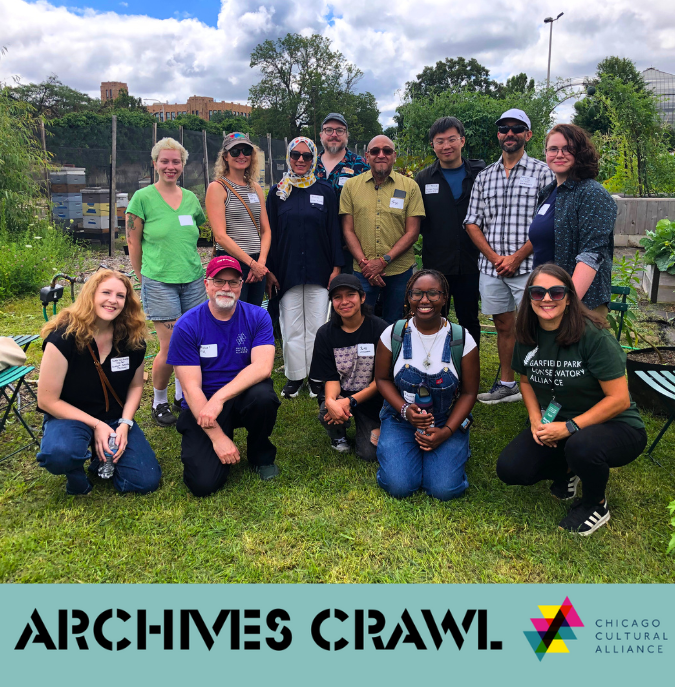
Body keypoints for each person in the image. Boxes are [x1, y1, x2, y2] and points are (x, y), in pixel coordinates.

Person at [496, 264, 647, 535]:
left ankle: (595, 504)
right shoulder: (527, 333)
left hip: (616, 424)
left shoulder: (594, 336)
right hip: (558, 420)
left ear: (568, 298)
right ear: (529, 298)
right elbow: (525, 381)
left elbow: (619, 399)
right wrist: (536, 420)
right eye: (538, 292)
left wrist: (569, 427)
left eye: (556, 292)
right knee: (511, 468)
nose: (546, 299)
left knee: (581, 446)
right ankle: (568, 470)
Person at [36, 270, 161, 496]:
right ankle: (76, 475)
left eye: (120, 296)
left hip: (115, 417)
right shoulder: (63, 338)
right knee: (60, 454)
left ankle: (99, 455)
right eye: (106, 292)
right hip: (70, 416)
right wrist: (97, 425)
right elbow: (46, 400)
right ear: (91, 295)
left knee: (145, 481)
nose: (113, 300)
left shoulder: (132, 338)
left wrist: (125, 424)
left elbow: (136, 385)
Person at [167, 256, 280, 497]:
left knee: (263, 396)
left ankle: (260, 454)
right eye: (219, 281)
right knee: (203, 484)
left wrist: (220, 398)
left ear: (241, 285)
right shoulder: (187, 325)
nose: (226, 288)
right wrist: (218, 438)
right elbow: (190, 389)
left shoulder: (258, 316)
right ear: (206, 284)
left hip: (241, 397)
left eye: (233, 282)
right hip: (203, 405)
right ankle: (219, 438)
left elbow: (263, 367)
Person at [464, 109, 555, 404]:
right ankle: (507, 383)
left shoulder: (543, 173)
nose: (510, 133)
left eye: (517, 128)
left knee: (538, 326)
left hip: (529, 266)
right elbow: (472, 222)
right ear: (498, 135)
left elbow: (548, 222)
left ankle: (542, 386)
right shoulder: (485, 176)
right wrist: (495, 258)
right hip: (492, 269)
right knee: (504, 325)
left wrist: (516, 257)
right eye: (504, 129)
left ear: (528, 134)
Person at [374, 269, 479, 500]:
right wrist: (405, 410)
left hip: (445, 419)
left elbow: (470, 393)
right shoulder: (394, 334)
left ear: (444, 297)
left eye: (433, 293)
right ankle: (403, 450)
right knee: (399, 486)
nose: (424, 300)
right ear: (408, 297)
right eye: (417, 293)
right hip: (401, 419)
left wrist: (446, 432)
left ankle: (453, 448)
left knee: (444, 489)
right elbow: (381, 379)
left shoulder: (461, 339)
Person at [126, 137, 207, 427]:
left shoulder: (191, 199)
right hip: (160, 281)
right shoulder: (142, 198)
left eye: (176, 161)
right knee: (171, 346)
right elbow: (133, 242)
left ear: (182, 165)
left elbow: (195, 232)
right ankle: (158, 400)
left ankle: (182, 395)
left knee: (193, 341)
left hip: (193, 280)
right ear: (155, 163)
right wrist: (143, 276)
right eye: (165, 161)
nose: (170, 166)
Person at [266, 136, 344, 400]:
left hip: (320, 270)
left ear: (313, 159)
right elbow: (270, 233)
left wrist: (336, 267)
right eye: (295, 155)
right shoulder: (277, 193)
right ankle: (295, 375)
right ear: (288, 157)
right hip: (286, 270)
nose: (300, 160)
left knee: (318, 325)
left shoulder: (325, 191)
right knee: (291, 325)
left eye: (306, 156)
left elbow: (334, 231)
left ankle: (317, 377)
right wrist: (270, 270)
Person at [529, 123, 616, 315]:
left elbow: (591, 254)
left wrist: (566, 301)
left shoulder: (591, 194)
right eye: (553, 149)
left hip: (579, 304)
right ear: (546, 153)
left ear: (581, 152)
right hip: (545, 297)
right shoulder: (548, 193)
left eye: (567, 149)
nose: (559, 154)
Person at [415, 116, 485, 347]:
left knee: (469, 318)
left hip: (471, 262)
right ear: (432, 145)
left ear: (462, 141)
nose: (446, 146)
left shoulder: (480, 173)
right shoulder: (424, 179)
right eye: (440, 141)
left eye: (452, 139)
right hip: (437, 262)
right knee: (434, 316)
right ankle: (436, 361)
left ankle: (469, 362)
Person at [341, 135, 426, 324]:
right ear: (367, 156)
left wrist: (383, 261)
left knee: (395, 323)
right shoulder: (351, 187)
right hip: (363, 271)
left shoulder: (410, 187)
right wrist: (366, 265)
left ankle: (391, 346)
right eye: (375, 151)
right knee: (360, 322)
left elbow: (412, 232)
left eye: (387, 151)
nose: (381, 155)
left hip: (399, 270)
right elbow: (348, 230)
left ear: (394, 156)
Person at [309, 274, 388, 460]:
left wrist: (350, 401)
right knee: (326, 409)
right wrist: (331, 402)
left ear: (362, 297)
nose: (344, 302)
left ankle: (375, 425)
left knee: (370, 454)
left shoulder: (380, 329)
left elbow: (381, 380)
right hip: (341, 394)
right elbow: (331, 378)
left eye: (350, 295)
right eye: (337, 297)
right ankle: (338, 435)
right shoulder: (325, 334)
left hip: (373, 398)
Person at [205, 131, 271, 308]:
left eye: (246, 151)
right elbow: (220, 236)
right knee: (231, 314)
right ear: (225, 157)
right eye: (235, 152)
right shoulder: (218, 188)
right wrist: (252, 264)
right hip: (231, 263)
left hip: (257, 263)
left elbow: (266, 230)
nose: (241, 156)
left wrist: (260, 263)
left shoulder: (255, 188)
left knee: (253, 314)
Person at [315, 113, 369, 275]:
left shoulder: (361, 166)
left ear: (346, 135)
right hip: (315, 244)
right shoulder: (310, 164)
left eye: (339, 130)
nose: (334, 135)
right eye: (329, 130)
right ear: (321, 135)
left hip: (349, 248)